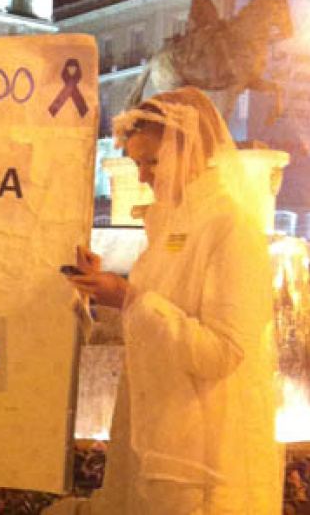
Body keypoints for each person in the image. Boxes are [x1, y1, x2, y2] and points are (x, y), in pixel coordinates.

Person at [48, 87, 282, 514]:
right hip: (152, 438)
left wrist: (131, 299)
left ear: (193, 150)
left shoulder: (230, 228)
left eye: (152, 162)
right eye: (137, 163)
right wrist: (104, 291)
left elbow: (223, 352)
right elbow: (152, 323)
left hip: (199, 460)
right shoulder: (170, 227)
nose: (142, 177)